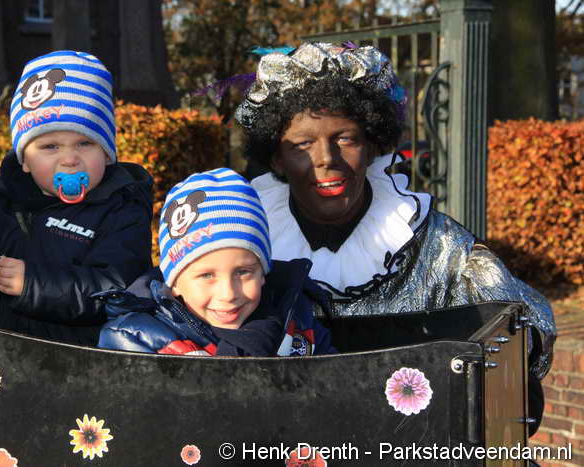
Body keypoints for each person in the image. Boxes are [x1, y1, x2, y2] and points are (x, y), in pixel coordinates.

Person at [235, 42, 555, 430]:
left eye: (345, 138)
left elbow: (517, 341)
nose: (326, 159)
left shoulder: (442, 247)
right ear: (277, 157)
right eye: (303, 144)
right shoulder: (243, 246)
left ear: (372, 145)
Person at [0, 51, 153, 346]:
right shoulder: (2, 198)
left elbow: (117, 288)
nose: (69, 159)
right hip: (4, 346)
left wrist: (34, 284)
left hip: (81, 354)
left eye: (85, 143)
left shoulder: (122, 208)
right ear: (24, 159)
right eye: (50, 146)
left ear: (106, 153)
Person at [97, 168, 335, 357]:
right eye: (207, 275)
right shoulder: (135, 340)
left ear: (263, 273)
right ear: (174, 282)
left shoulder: (297, 320)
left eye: (243, 272)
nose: (228, 293)